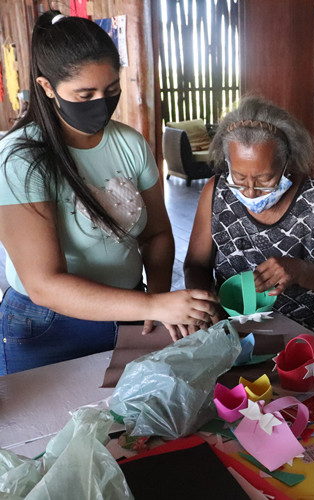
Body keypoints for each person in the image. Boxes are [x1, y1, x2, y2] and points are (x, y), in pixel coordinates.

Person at [0, 12, 217, 375]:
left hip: (132, 312)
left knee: (129, 426)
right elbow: (44, 284)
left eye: (111, 90)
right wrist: (153, 307)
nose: (100, 103)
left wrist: (158, 300)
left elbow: (158, 233)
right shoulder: (20, 158)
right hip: (48, 326)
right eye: (84, 94)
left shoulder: (129, 144)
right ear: (47, 87)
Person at [183, 95, 314, 342]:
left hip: (301, 341)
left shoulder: (313, 200)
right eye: (240, 178)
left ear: (287, 164)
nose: (251, 191)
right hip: (231, 336)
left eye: (265, 179)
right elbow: (195, 265)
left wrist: (301, 271)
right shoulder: (216, 191)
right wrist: (205, 305)